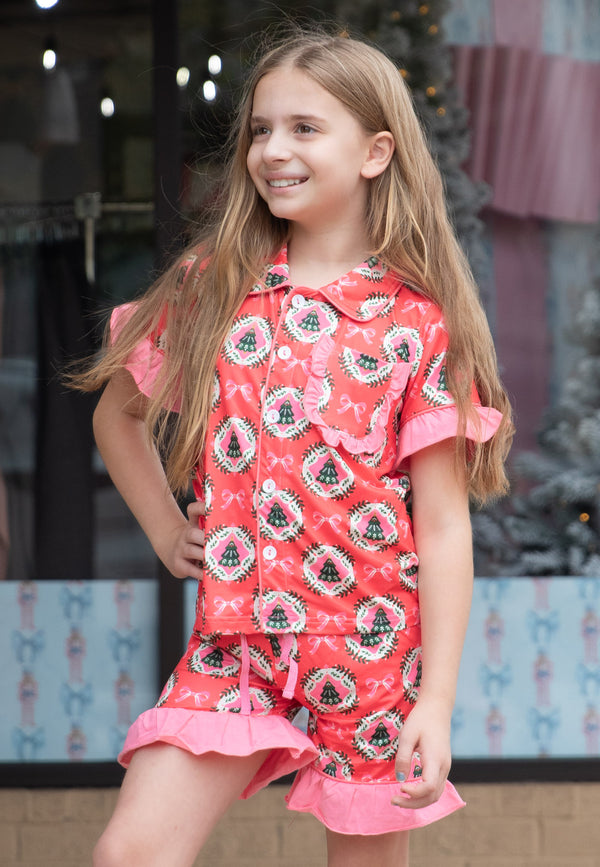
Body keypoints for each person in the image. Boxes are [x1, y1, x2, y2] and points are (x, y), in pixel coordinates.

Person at [82, 27, 513, 867]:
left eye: (305, 129)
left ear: (375, 152)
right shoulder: (217, 287)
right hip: (233, 641)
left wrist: (436, 701)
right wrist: (171, 532)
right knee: (127, 854)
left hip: (370, 650)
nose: (272, 150)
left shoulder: (417, 324)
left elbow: (444, 528)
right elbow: (117, 418)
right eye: (260, 130)